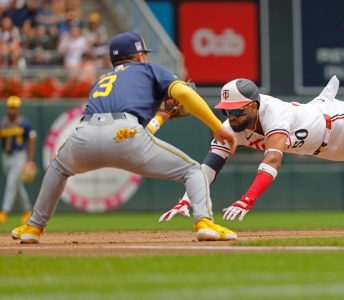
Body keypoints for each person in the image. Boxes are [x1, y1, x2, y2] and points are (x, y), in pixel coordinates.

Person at [11, 32, 238, 243]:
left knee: (58, 168)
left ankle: (33, 227)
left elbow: (118, 129)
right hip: (125, 133)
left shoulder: (102, 79)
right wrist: (218, 127)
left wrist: (159, 118)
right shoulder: (149, 70)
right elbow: (184, 93)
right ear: (140, 56)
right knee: (193, 171)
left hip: (84, 134)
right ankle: (204, 222)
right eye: (144, 55)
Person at [158, 75, 344, 222]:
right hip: (323, 149)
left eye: (237, 110)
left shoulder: (273, 113)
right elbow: (210, 164)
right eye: (227, 110)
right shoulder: (233, 128)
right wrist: (188, 200)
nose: (231, 116)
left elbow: (274, 160)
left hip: (334, 120)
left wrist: (248, 199)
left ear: (253, 105)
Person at [0, 96, 37, 225]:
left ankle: (4, 212)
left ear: (18, 108)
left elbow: (32, 139)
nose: (13, 110)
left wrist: (30, 160)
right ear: (7, 108)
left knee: (11, 182)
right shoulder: (2, 123)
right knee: (17, 184)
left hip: (19, 155)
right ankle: (28, 211)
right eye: (11, 107)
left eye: (15, 108)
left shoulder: (24, 123)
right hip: (6, 155)